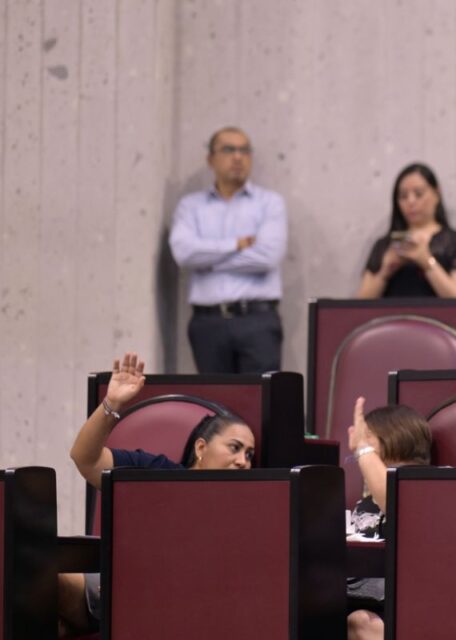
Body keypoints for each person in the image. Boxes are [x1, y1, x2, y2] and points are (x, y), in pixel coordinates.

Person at [57, 352, 256, 636]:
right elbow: (84, 458)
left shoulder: (254, 504)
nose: (243, 461)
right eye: (234, 448)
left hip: (177, 602)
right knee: (33, 582)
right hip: (118, 586)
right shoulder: (157, 472)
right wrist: (111, 404)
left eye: (249, 454)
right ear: (201, 448)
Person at [169, 126, 288, 373]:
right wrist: (235, 245)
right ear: (210, 159)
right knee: (215, 404)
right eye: (229, 149)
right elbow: (184, 254)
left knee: (263, 403)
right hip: (208, 322)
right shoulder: (191, 206)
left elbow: (267, 257)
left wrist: (207, 260)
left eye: (244, 150)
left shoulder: (269, 203)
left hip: (258, 320)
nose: (238, 157)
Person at [344, 397, 434, 640]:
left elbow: (397, 502)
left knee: (362, 623)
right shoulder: (368, 498)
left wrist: (363, 449)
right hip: (355, 598)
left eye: (368, 436)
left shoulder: (431, 483)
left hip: (404, 605)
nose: (358, 448)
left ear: (393, 436)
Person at [356, 163, 456, 299]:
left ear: (437, 194)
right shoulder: (384, 245)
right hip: (393, 319)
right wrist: (385, 271)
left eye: (418, 194)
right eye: (403, 196)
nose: (411, 201)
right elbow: (360, 304)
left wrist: (427, 261)